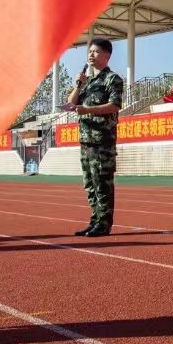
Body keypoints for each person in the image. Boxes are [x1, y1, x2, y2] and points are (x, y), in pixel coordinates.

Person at [68, 38, 124, 237]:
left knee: (102, 183)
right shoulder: (87, 81)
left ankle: (104, 223)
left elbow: (114, 106)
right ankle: (95, 220)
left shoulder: (112, 79)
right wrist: (78, 85)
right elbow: (71, 103)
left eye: (96, 51)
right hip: (86, 140)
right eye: (89, 51)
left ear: (107, 55)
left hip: (102, 141)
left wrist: (88, 110)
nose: (91, 55)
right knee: (90, 184)